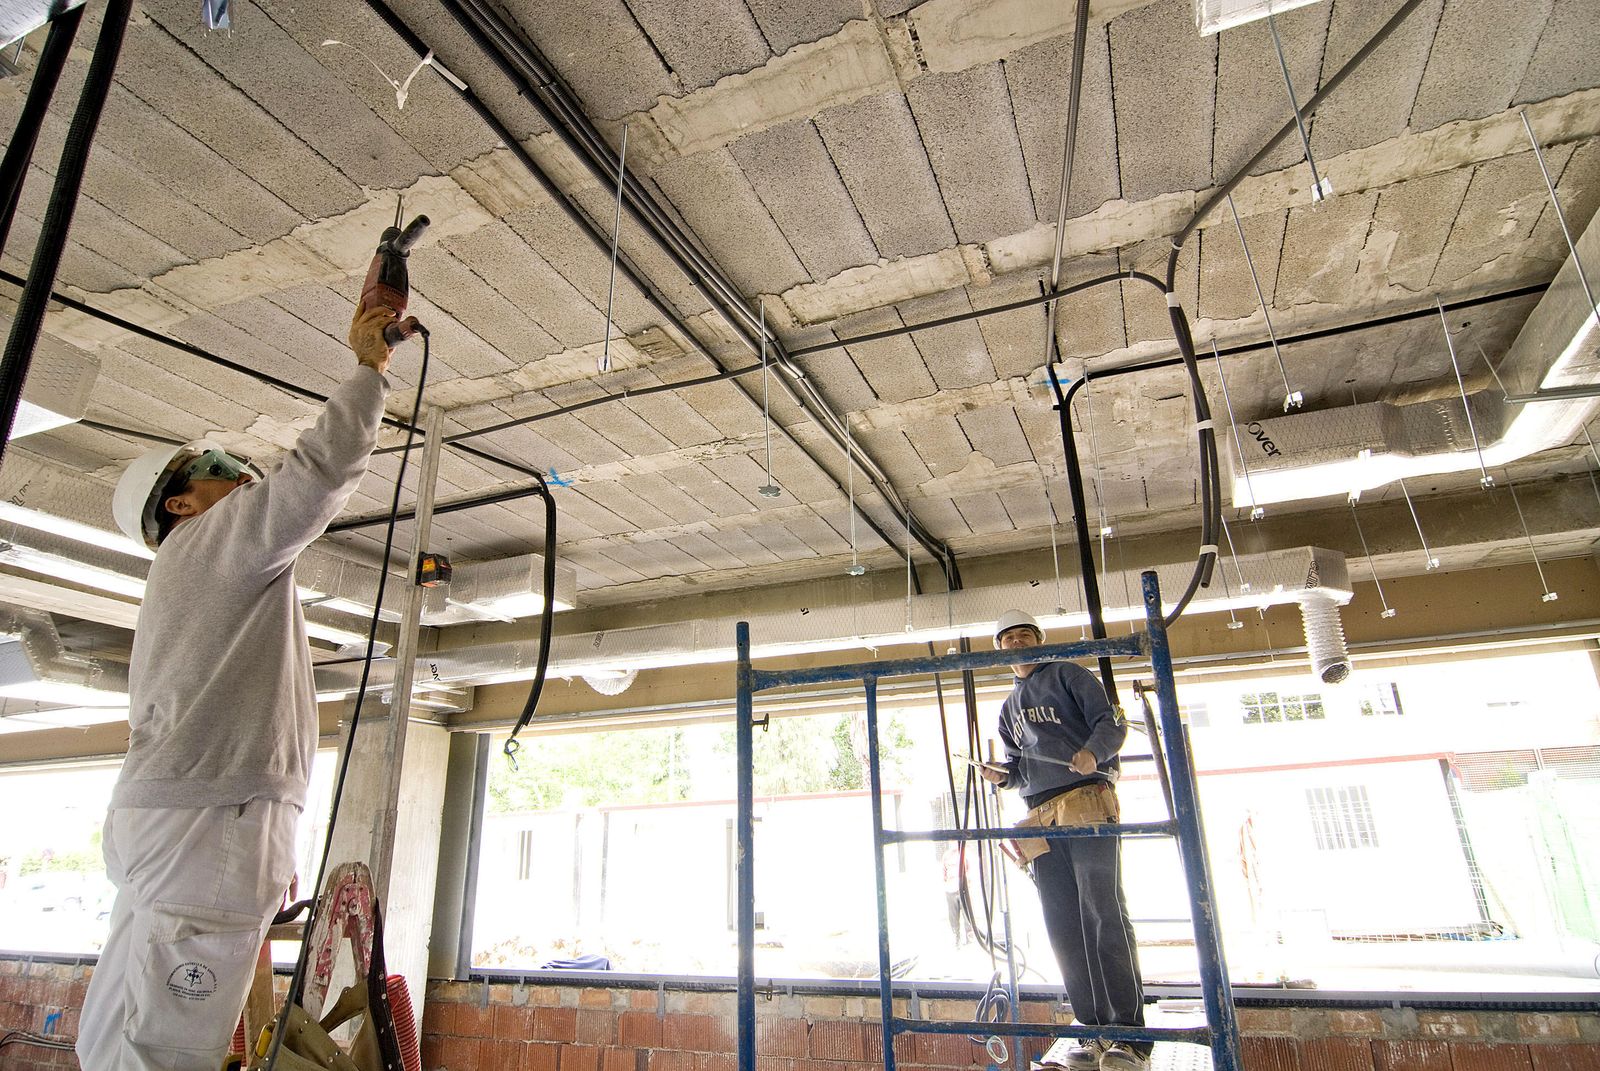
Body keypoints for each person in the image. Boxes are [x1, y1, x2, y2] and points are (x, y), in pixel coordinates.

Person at [76, 306, 398, 1071]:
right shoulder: (211, 543)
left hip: (187, 820)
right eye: (216, 463)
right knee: (161, 1049)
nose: (236, 467)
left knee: (117, 1030)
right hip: (208, 822)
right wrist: (368, 368)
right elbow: (318, 474)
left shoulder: (190, 570)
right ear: (180, 504)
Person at [977, 610, 1148, 1071]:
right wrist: (1001, 776)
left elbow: (1112, 723)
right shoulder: (1007, 708)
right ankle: (1092, 1029)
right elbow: (1017, 769)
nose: (1017, 643)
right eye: (1008, 639)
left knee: (1102, 912)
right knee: (1063, 924)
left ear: (1039, 640)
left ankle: (1129, 1036)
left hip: (1084, 799)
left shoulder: (1069, 673)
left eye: (1024, 636)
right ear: (1000, 650)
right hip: (1038, 815)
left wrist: (1093, 752)